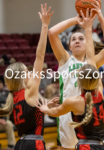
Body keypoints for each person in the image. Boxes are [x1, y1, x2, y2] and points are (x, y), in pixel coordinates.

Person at [48, 1, 104, 149]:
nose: (77, 41)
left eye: (81, 38)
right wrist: (76, 19)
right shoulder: (65, 59)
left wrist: (100, 19)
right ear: (69, 46)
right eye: (73, 39)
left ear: (88, 44)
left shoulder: (92, 63)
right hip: (66, 114)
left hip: (87, 115)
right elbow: (52, 33)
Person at [0, 4, 53, 150]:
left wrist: (47, 105)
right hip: (33, 144)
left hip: (21, 144)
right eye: (27, 72)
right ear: (22, 77)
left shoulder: (14, 97)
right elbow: (40, 56)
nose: (31, 73)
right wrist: (44, 26)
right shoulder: (29, 92)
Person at [0, 80, 15, 150]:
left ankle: (11, 145)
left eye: (0, 83)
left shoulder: (7, 93)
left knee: (9, 124)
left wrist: (4, 119)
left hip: (4, 120)